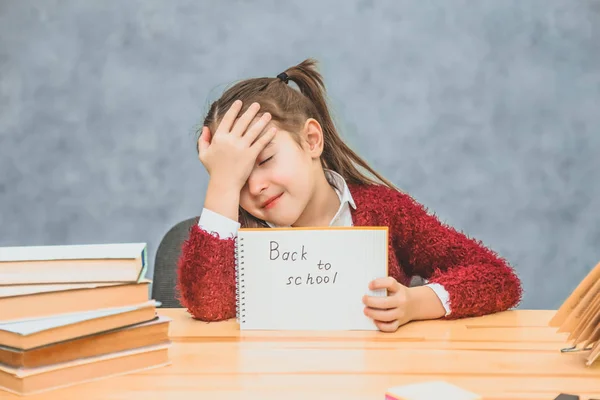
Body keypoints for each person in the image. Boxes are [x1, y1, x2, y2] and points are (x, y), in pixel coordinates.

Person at [176, 58, 522, 332]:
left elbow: (495, 277)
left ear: (311, 140)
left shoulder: (385, 211)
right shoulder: (234, 236)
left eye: (264, 160)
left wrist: (415, 304)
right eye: (238, 176)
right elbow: (208, 306)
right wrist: (222, 185)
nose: (254, 187)